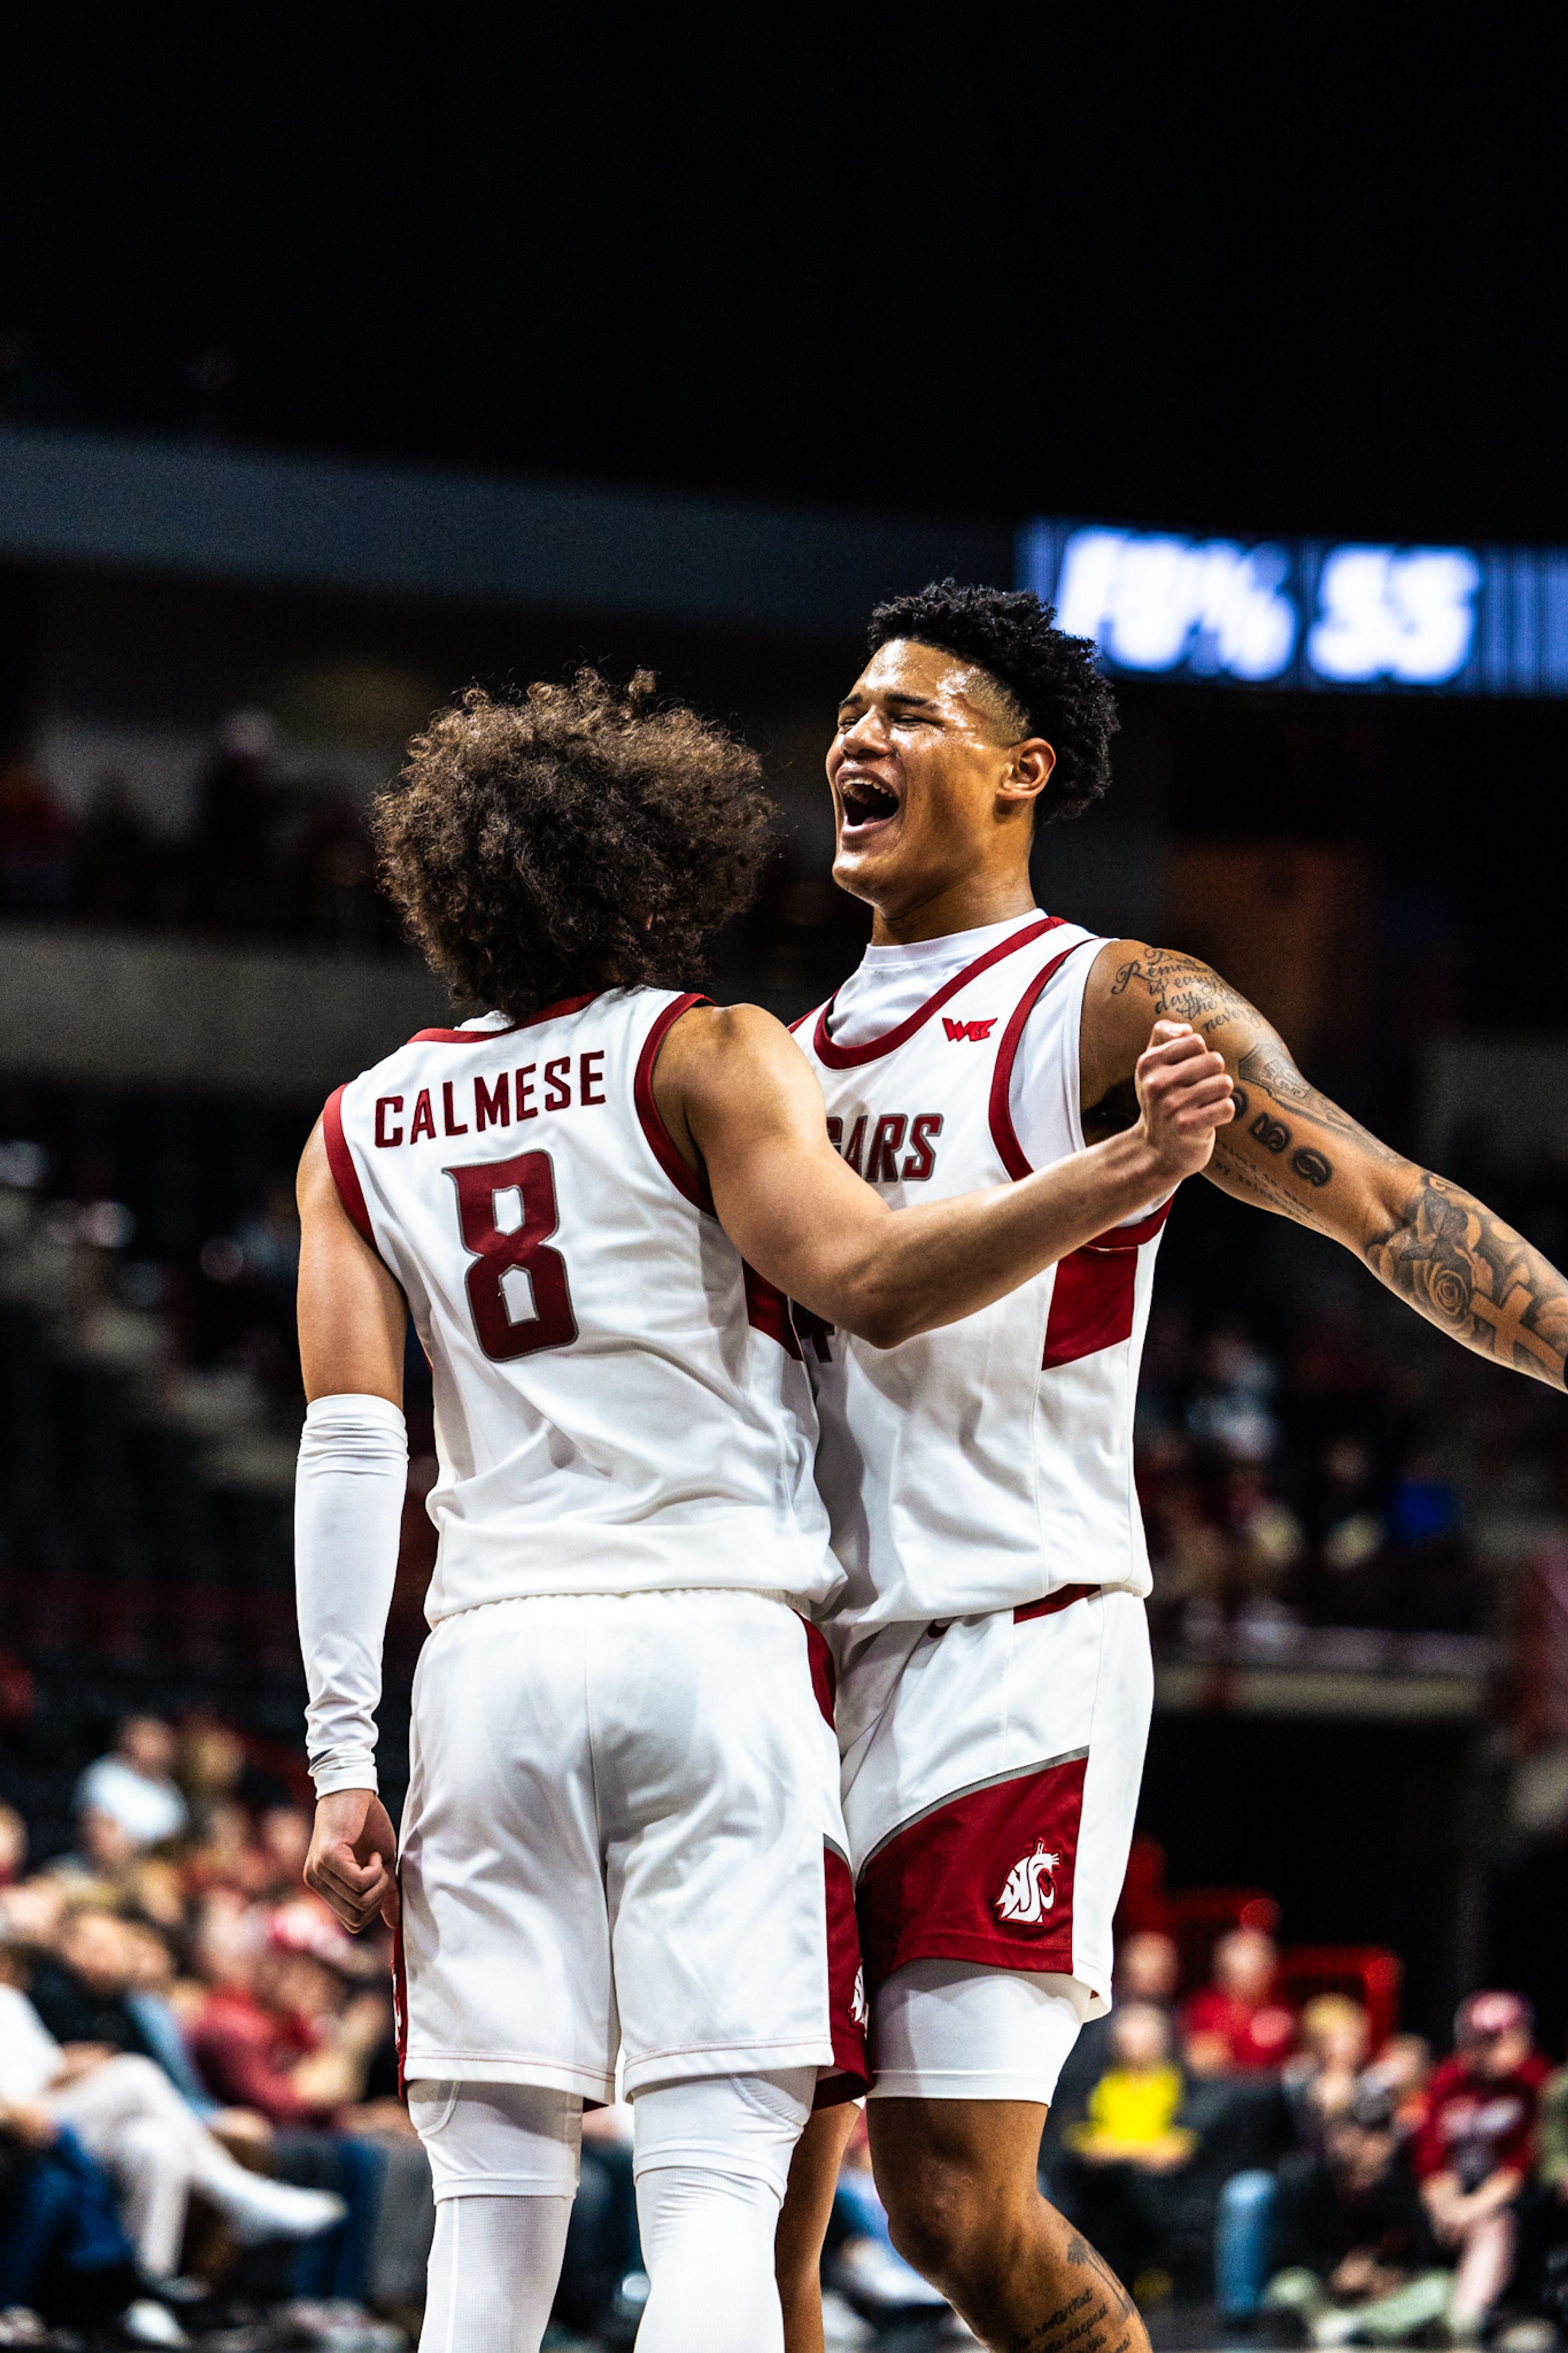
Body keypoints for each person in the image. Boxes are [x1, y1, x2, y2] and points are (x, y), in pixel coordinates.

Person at [292, 672, 1235, 2353]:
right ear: (649, 865)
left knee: (487, 2231)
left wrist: (344, 1756)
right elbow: (872, 1279)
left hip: (487, 1665)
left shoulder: (357, 1126)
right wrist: (1121, 1170)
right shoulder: (709, 1050)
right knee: (719, 2205)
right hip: (715, 1649)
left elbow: (353, 1456)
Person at [780, 579, 1568, 2353]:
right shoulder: (789, 1057)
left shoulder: (1104, 997)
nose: (856, 737)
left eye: (906, 713)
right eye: (846, 709)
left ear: (1021, 773)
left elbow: (1372, 1199)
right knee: (763, 2172)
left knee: (954, 2207)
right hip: (811, 1656)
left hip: (1007, 1638)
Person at [1264, 2085, 1448, 2346]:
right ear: (1336, 2137)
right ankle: (1347, 2326)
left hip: (1382, 2298)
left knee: (1441, 2288)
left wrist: (1388, 2277)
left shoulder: (1402, 2185)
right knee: (1288, 2289)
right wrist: (1334, 2274)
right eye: (1360, 2132)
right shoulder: (1305, 2183)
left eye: (1380, 2133)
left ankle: (1357, 2327)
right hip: (1324, 2292)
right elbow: (1288, 2254)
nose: (1371, 2144)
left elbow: (1424, 2255)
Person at [1412, 1991, 1547, 2337]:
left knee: (1494, 2223)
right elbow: (1430, 2156)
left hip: (1507, 2197)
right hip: (1454, 2194)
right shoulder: (1448, 2078)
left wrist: (1471, 2209)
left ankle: (1464, 2318)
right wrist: (1447, 2206)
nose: (1489, 2050)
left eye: (1500, 2039)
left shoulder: (1535, 2082)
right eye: (1481, 2040)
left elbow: (1523, 2163)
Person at [1182, 1929, 1299, 2077]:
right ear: (1225, 1973)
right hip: (1226, 2092)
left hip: (1274, 2092)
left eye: (1262, 1970)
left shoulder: (1282, 2008)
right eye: (1244, 1974)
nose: (1254, 1980)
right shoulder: (1206, 2007)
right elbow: (1206, 2061)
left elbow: (1293, 2061)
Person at [74, 1718, 188, 1851]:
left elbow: (174, 1838)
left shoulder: (170, 1790)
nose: (154, 1745)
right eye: (146, 1737)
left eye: (158, 1738)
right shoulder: (107, 1775)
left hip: (153, 1864)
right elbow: (98, 1830)